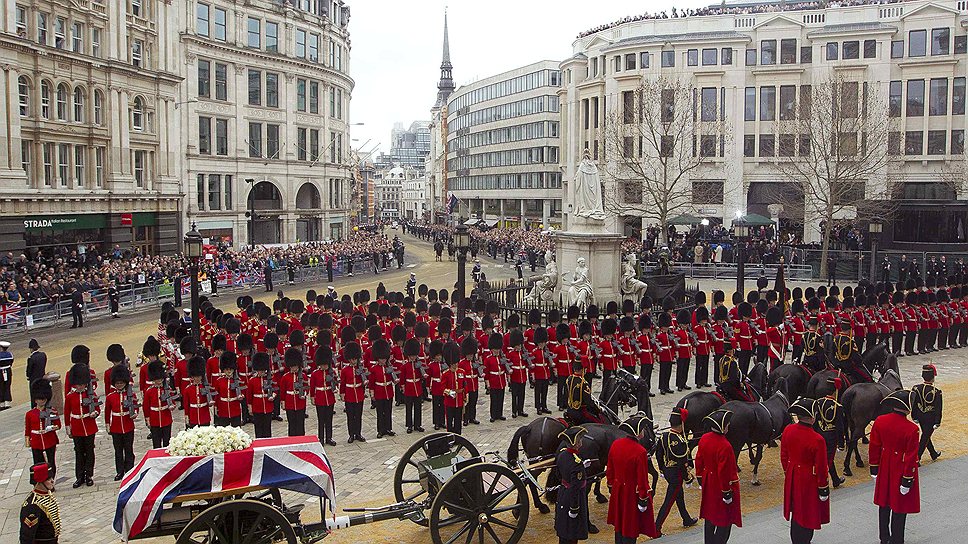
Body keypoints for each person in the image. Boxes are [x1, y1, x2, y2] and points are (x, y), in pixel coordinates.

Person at [870, 390, 920, 544]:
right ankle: (897, 539)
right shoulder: (912, 429)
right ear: (907, 408)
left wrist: (874, 469)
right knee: (899, 508)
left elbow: (874, 446)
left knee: (884, 506)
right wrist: (907, 480)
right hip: (901, 469)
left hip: (884, 467)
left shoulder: (879, 421)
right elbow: (911, 458)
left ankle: (884, 538)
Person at [781, 398, 831, 544]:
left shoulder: (788, 429)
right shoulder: (818, 439)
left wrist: (789, 471)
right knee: (808, 512)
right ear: (812, 417)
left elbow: (784, 455)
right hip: (809, 479)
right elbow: (821, 467)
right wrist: (823, 488)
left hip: (792, 474)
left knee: (796, 512)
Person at [606, 416, 659, 544]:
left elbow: (610, 470)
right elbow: (642, 479)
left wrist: (612, 486)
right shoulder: (640, 451)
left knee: (619, 527)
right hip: (631, 494)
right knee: (630, 528)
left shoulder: (615, 444)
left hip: (618, 490)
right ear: (638, 433)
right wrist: (643, 499)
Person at [695, 409, 741, 544]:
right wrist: (727, 492)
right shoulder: (725, 445)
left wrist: (700, 477)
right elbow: (725, 472)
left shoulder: (704, 438)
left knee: (710, 517)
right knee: (724, 520)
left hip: (708, 481)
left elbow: (699, 460)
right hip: (721, 486)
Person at [655, 407, 698, 535]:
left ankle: (686, 519)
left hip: (667, 471)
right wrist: (688, 478)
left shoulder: (664, 436)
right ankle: (656, 528)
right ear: (682, 424)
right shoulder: (681, 442)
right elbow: (682, 464)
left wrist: (662, 468)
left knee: (679, 496)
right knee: (669, 501)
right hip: (676, 475)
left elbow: (658, 455)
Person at [64, 357, 98, 488]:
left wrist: (95, 413)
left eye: (82, 384)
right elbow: (67, 413)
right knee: (79, 453)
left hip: (89, 426)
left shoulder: (91, 395)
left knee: (89, 452)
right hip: (77, 427)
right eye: (78, 384)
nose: (79, 386)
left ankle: (89, 475)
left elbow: (97, 408)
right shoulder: (70, 396)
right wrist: (68, 427)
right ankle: (80, 477)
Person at [555, 427, 592, 544]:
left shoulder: (562, 455)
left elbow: (559, 474)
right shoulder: (577, 464)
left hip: (563, 494)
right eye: (580, 440)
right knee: (572, 532)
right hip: (573, 499)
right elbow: (575, 489)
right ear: (576, 444)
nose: (581, 442)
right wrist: (574, 508)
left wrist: (581, 466)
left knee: (564, 529)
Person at [24, 380, 60, 486]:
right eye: (40, 399)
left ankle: (51, 482)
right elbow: (28, 428)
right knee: (38, 464)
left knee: (51, 463)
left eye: (44, 398)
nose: (42, 401)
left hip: (49, 439)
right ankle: (40, 483)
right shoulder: (30, 414)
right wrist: (27, 440)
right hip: (36, 441)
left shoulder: (52, 411)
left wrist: (50, 428)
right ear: (35, 400)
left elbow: (58, 425)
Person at [814, 378, 846, 487]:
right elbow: (840, 427)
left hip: (818, 433)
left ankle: (836, 479)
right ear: (835, 391)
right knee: (827, 460)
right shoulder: (837, 407)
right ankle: (819, 482)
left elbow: (815, 421)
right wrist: (841, 444)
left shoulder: (818, 402)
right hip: (831, 437)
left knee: (825, 458)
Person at [20, 463, 61, 544]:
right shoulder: (32, 506)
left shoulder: (46, 495)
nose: (52, 481)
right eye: (48, 479)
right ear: (40, 482)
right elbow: (27, 536)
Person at [912, 364, 943, 463]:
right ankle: (917, 458)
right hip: (930, 418)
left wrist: (914, 416)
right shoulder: (937, 392)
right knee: (925, 437)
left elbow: (914, 404)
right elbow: (938, 409)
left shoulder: (916, 388)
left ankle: (933, 453)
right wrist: (937, 421)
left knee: (926, 435)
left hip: (920, 416)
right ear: (933, 377)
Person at [143, 360, 174, 449]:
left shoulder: (167, 389)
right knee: (156, 444)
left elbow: (173, 401)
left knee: (167, 443)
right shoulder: (149, 391)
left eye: (160, 379)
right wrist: (148, 420)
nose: (159, 381)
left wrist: (172, 406)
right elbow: (146, 407)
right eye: (157, 379)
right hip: (154, 420)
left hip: (166, 418)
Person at [339, 341, 366, 443]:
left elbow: (363, 382)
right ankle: (351, 434)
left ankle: (358, 434)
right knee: (350, 416)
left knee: (358, 416)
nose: (353, 361)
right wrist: (342, 394)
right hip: (349, 395)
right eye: (352, 359)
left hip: (358, 394)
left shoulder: (360, 369)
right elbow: (343, 383)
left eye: (355, 359)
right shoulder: (345, 370)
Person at [280, 348, 309, 436]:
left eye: (296, 366)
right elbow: (283, 391)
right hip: (290, 403)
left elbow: (306, 387)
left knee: (300, 424)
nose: (294, 368)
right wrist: (283, 402)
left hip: (300, 402)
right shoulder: (285, 377)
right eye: (293, 366)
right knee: (291, 424)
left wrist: (304, 393)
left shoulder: (303, 376)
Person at [247, 352, 275, 439]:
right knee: (258, 428)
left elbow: (275, 389)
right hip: (257, 406)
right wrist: (250, 407)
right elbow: (249, 396)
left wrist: (273, 396)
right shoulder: (252, 380)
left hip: (267, 405)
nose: (262, 372)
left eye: (263, 370)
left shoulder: (270, 379)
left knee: (267, 428)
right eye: (260, 370)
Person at [565, 360, 603, 425]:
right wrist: (598, 409)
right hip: (580, 412)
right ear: (582, 370)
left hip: (570, 410)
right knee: (600, 422)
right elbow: (588, 401)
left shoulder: (569, 379)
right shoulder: (583, 383)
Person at [441, 341, 465, 435]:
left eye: (456, 363)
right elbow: (442, 388)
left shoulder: (462, 372)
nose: (456, 365)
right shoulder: (445, 374)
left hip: (459, 401)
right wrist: (450, 392)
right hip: (449, 401)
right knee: (450, 422)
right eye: (454, 363)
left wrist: (464, 396)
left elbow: (464, 385)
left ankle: (458, 436)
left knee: (458, 421)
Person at [183, 356, 213, 428]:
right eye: (195, 377)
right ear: (192, 377)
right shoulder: (188, 389)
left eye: (199, 376)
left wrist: (210, 402)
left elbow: (209, 400)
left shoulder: (205, 387)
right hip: (193, 417)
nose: (197, 378)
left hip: (204, 416)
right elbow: (186, 404)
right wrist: (187, 416)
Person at [26, 339, 47, 407]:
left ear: (31, 349)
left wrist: (28, 376)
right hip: (42, 377)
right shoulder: (43, 355)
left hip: (34, 379)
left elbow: (29, 371)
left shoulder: (31, 358)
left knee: (34, 396)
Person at [0, 340, 13, 410]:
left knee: (1, 387)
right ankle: (7, 402)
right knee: (7, 386)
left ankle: (1, 403)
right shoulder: (10, 354)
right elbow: (11, 363)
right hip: (8, 371)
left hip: (0, 372)